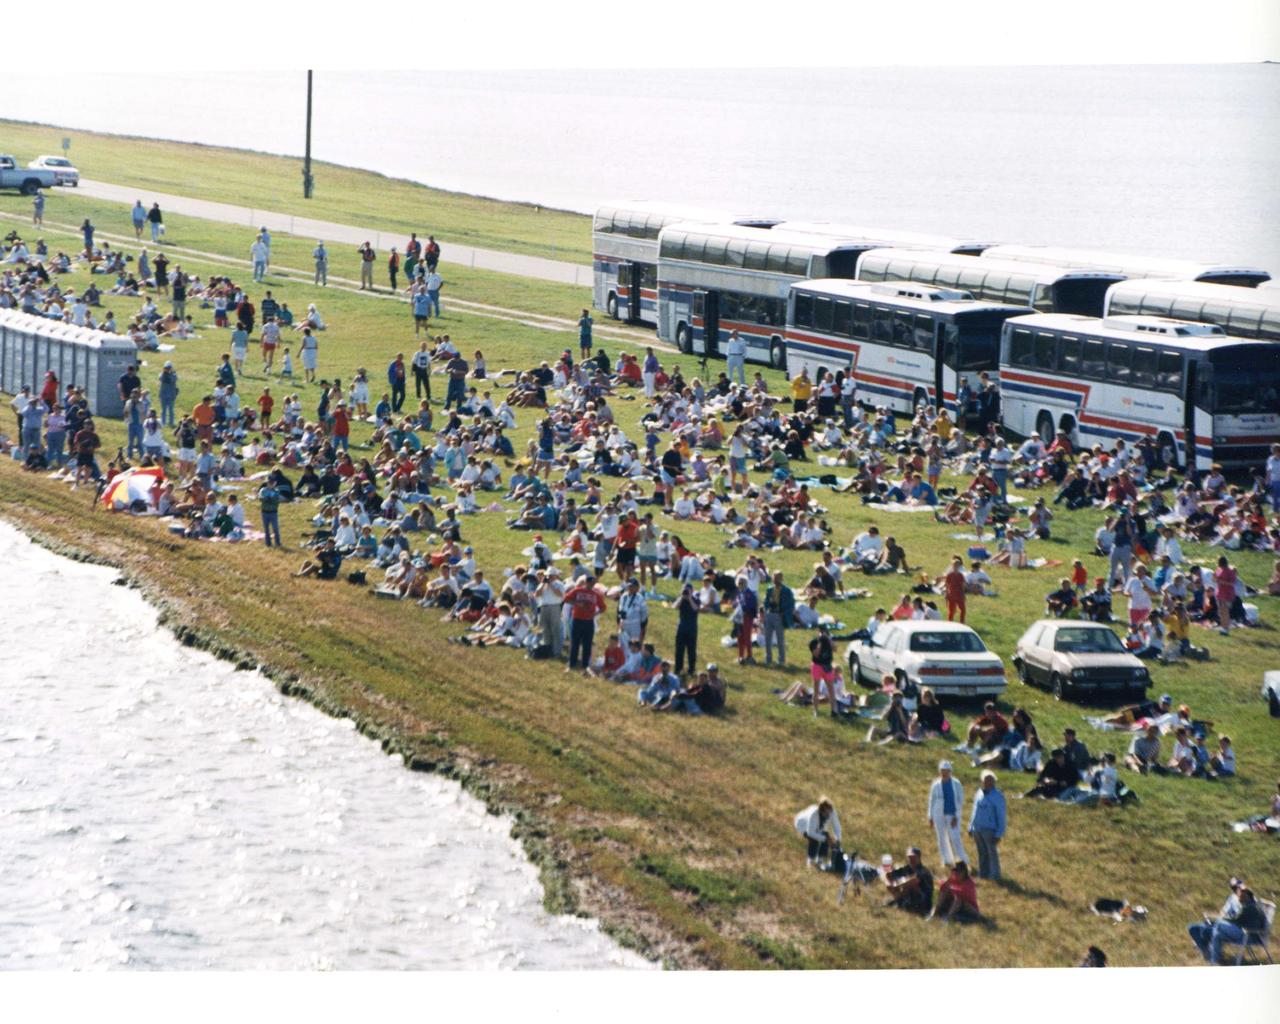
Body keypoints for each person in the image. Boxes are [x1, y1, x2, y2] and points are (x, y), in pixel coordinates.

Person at [1189, 883, 1268, 965]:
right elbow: (1235, 919)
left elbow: (1235, 920)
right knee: (1218, 935)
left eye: (1241, 896)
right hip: (1243, 932)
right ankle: (1215, 961)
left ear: (1247, 896)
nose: (1239, 898)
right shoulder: (1247, 905)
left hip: (1249, 935)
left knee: (1218, 925)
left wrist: (1216, 919)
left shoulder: (1249, 907)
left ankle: (1205, 941)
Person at [927, 761, 967, 867]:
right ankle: (946, 860)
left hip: (952, 814)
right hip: (938, 814)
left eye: (946, 771)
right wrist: (930, 816)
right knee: (941, 837)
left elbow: (960, 801)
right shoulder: (936, 784)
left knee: (955, 837)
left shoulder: (956, 784)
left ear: (950, 772)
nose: (944, 773)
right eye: (942, 771)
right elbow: (932, 800)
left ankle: (962, 860)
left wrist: (956, 816)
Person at [969, 771, 1007, 880]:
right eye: (985, 780)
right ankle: (983, 873)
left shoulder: (998, 796)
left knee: (992, 853)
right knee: (982, 852)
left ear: (994, 781)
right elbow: (974, 810)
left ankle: (995, 875)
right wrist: (971, 826)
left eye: (990, 780)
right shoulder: (979, 793)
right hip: (977, 828)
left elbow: (1001, 815)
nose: (987, 782)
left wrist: (999, 833)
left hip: (990, 830)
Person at [564, 574, 605, 672]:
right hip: (577, 619)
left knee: (587, 644)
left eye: (593, 583)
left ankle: (585, 665)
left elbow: (603, 607)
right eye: (590, 583)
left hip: (589, 621)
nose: (592, 585)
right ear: (586, 582)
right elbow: (566, 598)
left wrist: (595, 613)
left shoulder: (596, 594)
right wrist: (577, 603)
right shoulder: (578, 591)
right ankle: (572, 664)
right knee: (575, 643)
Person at [794, 797, 843, 871]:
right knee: (814, 840)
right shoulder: (814, 814)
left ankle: (820, 860)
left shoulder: (832, 812)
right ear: (821, 810)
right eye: (826, 813)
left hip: (817, 827)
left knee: (826, 835)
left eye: (829, 812)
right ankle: (810, 861)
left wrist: (838, 839)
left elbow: (837, 826)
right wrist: (826, 839)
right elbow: (810, 833)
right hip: (802, 825)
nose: (828, 815)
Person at [884, 846, 934, 915]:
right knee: (890, 884)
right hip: (908, 897)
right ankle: (898, 901)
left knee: (909, 884)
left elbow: (913, 881)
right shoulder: (907, 868)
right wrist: (889, 884)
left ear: (919, 857)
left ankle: (898, 901)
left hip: (923, 901)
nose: (911, 859)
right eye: (909, 857)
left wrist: (896, 886)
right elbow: (889, 875)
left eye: (913, 857)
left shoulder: (923, 871)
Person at [674, 583, 700, 676]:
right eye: (685, 589)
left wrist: (689, 598)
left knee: (691, 651)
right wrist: (682, 597)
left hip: (691, 629)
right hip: (681, 628)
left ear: (692, 591)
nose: (686, 591)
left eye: (688, 590)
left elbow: (695, 608)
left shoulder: (696, 599)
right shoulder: (681, 600)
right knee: (679, 651)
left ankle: (691, 670)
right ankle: (678, 669)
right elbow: (675, 606)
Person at [258, 477, 282, 547]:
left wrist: (270, 499)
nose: (270, 484)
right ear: (267, 483)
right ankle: (268, 543)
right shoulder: (263, 490)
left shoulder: (276, 491)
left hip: (273, 512)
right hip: (264, 512)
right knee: (266, 529)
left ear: (275, 483)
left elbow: (276, 501)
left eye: (272, 483)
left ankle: (278, 543)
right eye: (269, 483)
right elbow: (260, 498)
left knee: (275, 528)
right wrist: (266, 498)